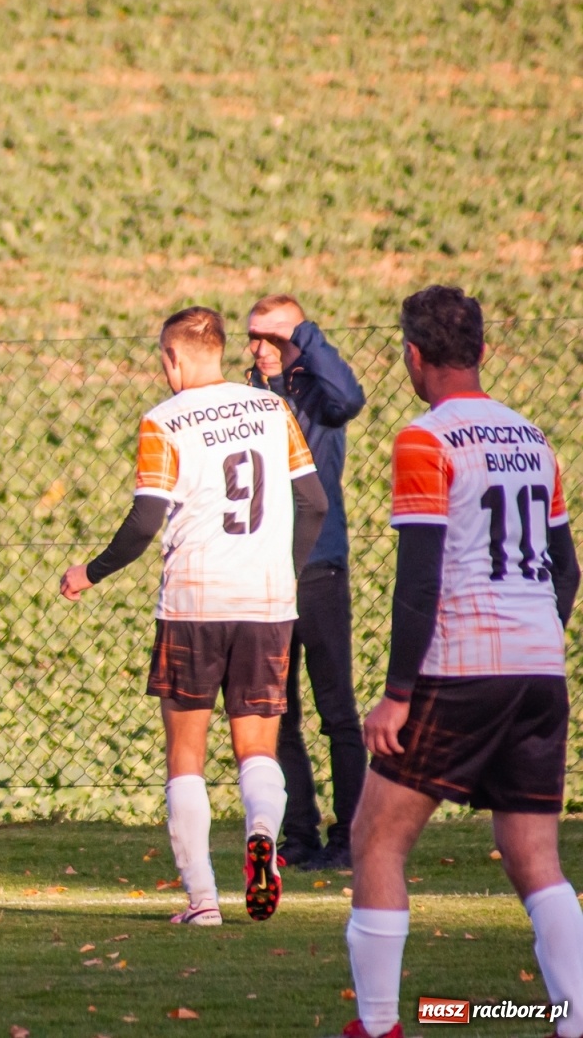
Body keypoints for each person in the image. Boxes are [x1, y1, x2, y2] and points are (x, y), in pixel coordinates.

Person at [338, 286, 583, 1038]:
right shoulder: (534, 440)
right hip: (541, 666)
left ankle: (378, 1026)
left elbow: (419, 578)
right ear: (485, 351)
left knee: (377, 839)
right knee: (532, 853)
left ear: (413, 357)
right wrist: (533, 633)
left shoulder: (426, 438)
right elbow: (567, 569)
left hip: (462, 665)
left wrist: (398, 694)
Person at [61, 306, 327, 926]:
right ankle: (263, 832)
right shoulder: (270, 408)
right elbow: (312, 503)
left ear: (173, 359)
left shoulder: (164, 421)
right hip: (267, 602)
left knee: (187, 753)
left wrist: (90, 571)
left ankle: (202, 901)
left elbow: (145, 522)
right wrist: (283, 570)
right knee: (257, 747)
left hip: (194, 601)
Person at [245, 294, 367, 871]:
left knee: (336, 708)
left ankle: (352, 837)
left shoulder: (319, 395)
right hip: (265, 571)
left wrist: (306, 335)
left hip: (320, 566)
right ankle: (299, 836)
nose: (260, 349)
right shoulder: (246, 398)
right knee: (277, 710)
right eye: (253, 337)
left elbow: (350, 397)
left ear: (298, 337)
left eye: (274, 337)